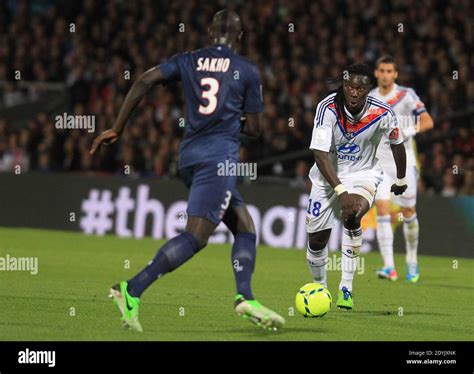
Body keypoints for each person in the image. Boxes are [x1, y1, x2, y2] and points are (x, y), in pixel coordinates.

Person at [90, 9, 285, 332]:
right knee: (196, 237)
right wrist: (231, 120)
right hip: (218, 159)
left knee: (245, 227)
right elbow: (255, 129)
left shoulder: (188, 60)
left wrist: (117, 127)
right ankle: (131, 289)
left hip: (189, 157)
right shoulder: (247, 70)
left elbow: (143, 80)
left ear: (210, 33)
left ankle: (245, 296)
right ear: (240, 36)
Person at [305, 63, 407, 310]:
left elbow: (397, 142)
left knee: (352, 215)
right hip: (327, 177)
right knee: (317, 241)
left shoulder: (383, 112)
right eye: (349, 86)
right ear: (344, 85)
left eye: (360, 88)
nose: (354, 92)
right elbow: (319, 153)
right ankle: (321, 288)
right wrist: (340, 191)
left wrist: (401, 179)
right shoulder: (327, 108)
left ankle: (346, 288)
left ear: (368, 89)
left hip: (364, 174)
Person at [371, 55, 434, 283]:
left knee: (408, 213)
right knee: (382, 210)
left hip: (404, 162)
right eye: (382, 70)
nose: (386, 74)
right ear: (376, 73)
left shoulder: (406, 95)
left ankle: (411, 259)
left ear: (395, 74)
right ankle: (389, 267)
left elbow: (428, 121)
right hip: (380, 163)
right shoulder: (370, 98)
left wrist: (408, 131)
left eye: (390, 71)